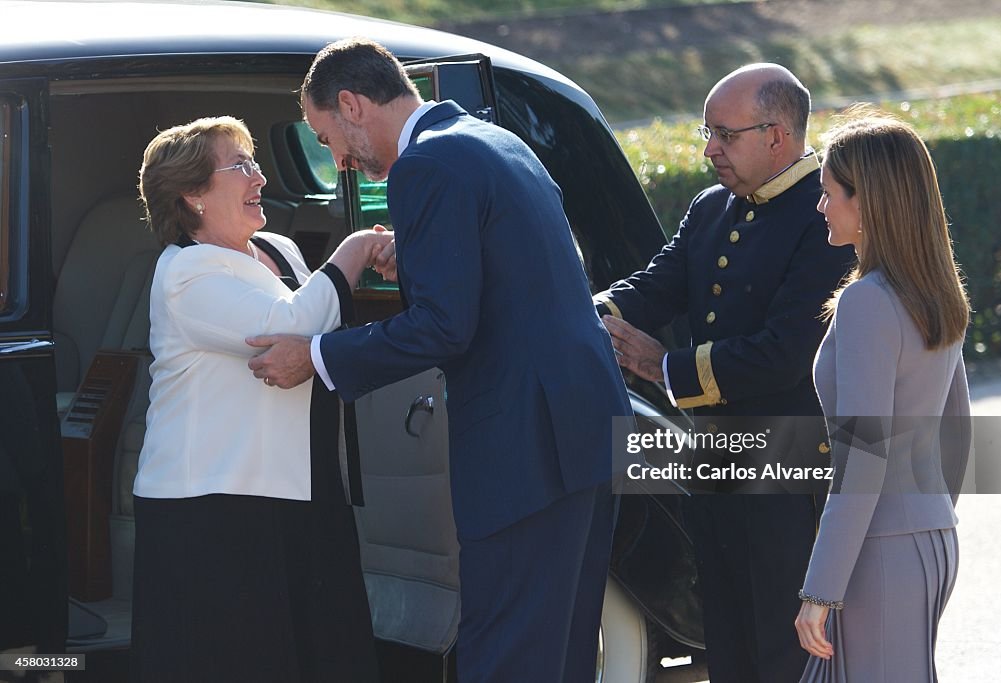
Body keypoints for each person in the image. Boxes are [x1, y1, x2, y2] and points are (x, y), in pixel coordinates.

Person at [245, 39, 632, 683]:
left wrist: (316, 354)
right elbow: (513, 268)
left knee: (505, 655)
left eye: (325, 137)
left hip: (524, 449)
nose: (336, 161)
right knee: (560, 652)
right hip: (582, 434)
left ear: (351, 104)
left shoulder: (424, 167)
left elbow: (445, 328)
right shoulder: (488, 139)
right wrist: (421, 248)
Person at [595, 64, 854, 682]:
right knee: (727, 641)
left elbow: (783, 353)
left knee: (781, 646)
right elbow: (653, 287)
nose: (710, 149)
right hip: (713, 457)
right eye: (705, 133)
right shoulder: (712, 206)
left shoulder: (827, 212)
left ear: (776, 135)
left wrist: (662, 366)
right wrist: (582, 318)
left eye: (724, 135)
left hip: (787, 464)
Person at [131, 116, 392, 682]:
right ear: (193, 194)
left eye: (254, 161)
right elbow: (287, 327)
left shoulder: (276, 249)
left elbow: (323, 333)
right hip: (213, 507)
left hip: (298, 488)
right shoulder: (184, 273)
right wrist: (356, 249)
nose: (258, 175)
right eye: (240, 165)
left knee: (319, 652)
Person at [794, 110, 972, 681]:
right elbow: (958, 430)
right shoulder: (935, 291)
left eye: (828, 193)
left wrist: (820, 589)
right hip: (926, 540)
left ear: (866, 200)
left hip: (882, 554)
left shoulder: (867, 302)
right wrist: (928, 519)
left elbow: (862, 458)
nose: (821, 206)